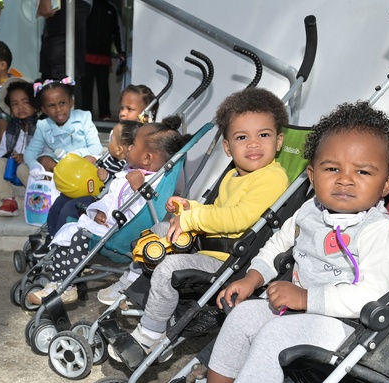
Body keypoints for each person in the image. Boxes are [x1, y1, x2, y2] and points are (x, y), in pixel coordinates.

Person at [155, 101, 389, 383]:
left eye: (363, 171)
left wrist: (307, 298)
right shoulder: (310, 211)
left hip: (351, 327)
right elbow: (276, 245)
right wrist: (254, 277)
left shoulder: (378, 231)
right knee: (244, 315)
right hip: (300, 310)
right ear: (312, 175)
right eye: (332, 168)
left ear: (387, 182)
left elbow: (374, 295)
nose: (344, 179)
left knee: (275, 336)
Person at [102, 87, 290, 367]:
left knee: (169, 268)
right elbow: (218, 212)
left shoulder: (271, 177)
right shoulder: (234, 175)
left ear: (278, 141)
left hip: (231, 260)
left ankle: (151, 334)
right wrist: (188, 208)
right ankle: (133, 286)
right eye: (242, 137)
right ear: (228, 147)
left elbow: (239, 219)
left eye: (263, 135)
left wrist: (191, 220)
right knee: (158, 231)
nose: (253, 144)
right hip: (211, 246)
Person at [27, 116, 188, 305]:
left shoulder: (149, 182)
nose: (129, 147)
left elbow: (147, 210)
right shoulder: (127, 174)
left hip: (123, 235)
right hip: (110, 225)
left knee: (79, 236)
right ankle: (57, 281)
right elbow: (110, 199)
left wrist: (140, 189)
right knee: (68, 231)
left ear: (146, 158)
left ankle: (66, 288)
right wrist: (100, 211)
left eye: (133, 145)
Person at [25, 77, 103, 243]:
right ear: (43, 108)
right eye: (51, 105)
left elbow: (96, 148)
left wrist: (72, 156)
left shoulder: (83, 117)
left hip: (82, 168)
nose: (58, 109)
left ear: (71, 102)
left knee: (91, 158)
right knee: (43, 158)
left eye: (62, 103)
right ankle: (53, 237)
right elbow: (31, 151)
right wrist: (33, 164)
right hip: (61, 170)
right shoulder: (43, 125)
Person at [0, 77, 38, 217]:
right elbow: (1, 152)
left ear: (35, 105)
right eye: (15, 104)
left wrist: (26, 158)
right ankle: (8, 200)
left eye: (25, 102)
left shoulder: (42, 126)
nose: (20, 107)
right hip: (13, 169)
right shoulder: (11, 128)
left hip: (31, 170)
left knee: (22, 168)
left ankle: (38, 199)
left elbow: (45, 154)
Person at [36, 0, 91, 102]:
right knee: (53, 71)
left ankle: (68, 110)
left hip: (68, 5)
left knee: (62, 71)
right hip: (65, 7)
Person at [81, 0, 124, 121]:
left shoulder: (111, 8)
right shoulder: (87, 6)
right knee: (86, 88)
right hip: (86, 54)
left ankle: (105, 114)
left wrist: (121, 51)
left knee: (103, 87)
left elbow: (117, 31)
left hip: (104, 55)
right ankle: (86, 116)